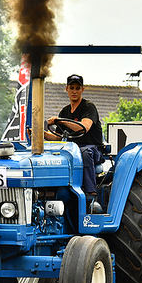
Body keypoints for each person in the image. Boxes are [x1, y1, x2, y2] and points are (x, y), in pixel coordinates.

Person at [44, 74, 104, 207]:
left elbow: (84, 128)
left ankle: (90, 195)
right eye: (72, 88)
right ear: (66, 89)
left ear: (83, 89)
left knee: (84, 152)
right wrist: (40, 134)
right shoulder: (65, 111)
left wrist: (60, 121)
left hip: (92, 149)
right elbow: (58, 138)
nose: (74, 91)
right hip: (71, 150)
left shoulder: (89, 107)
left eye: (77, 88)